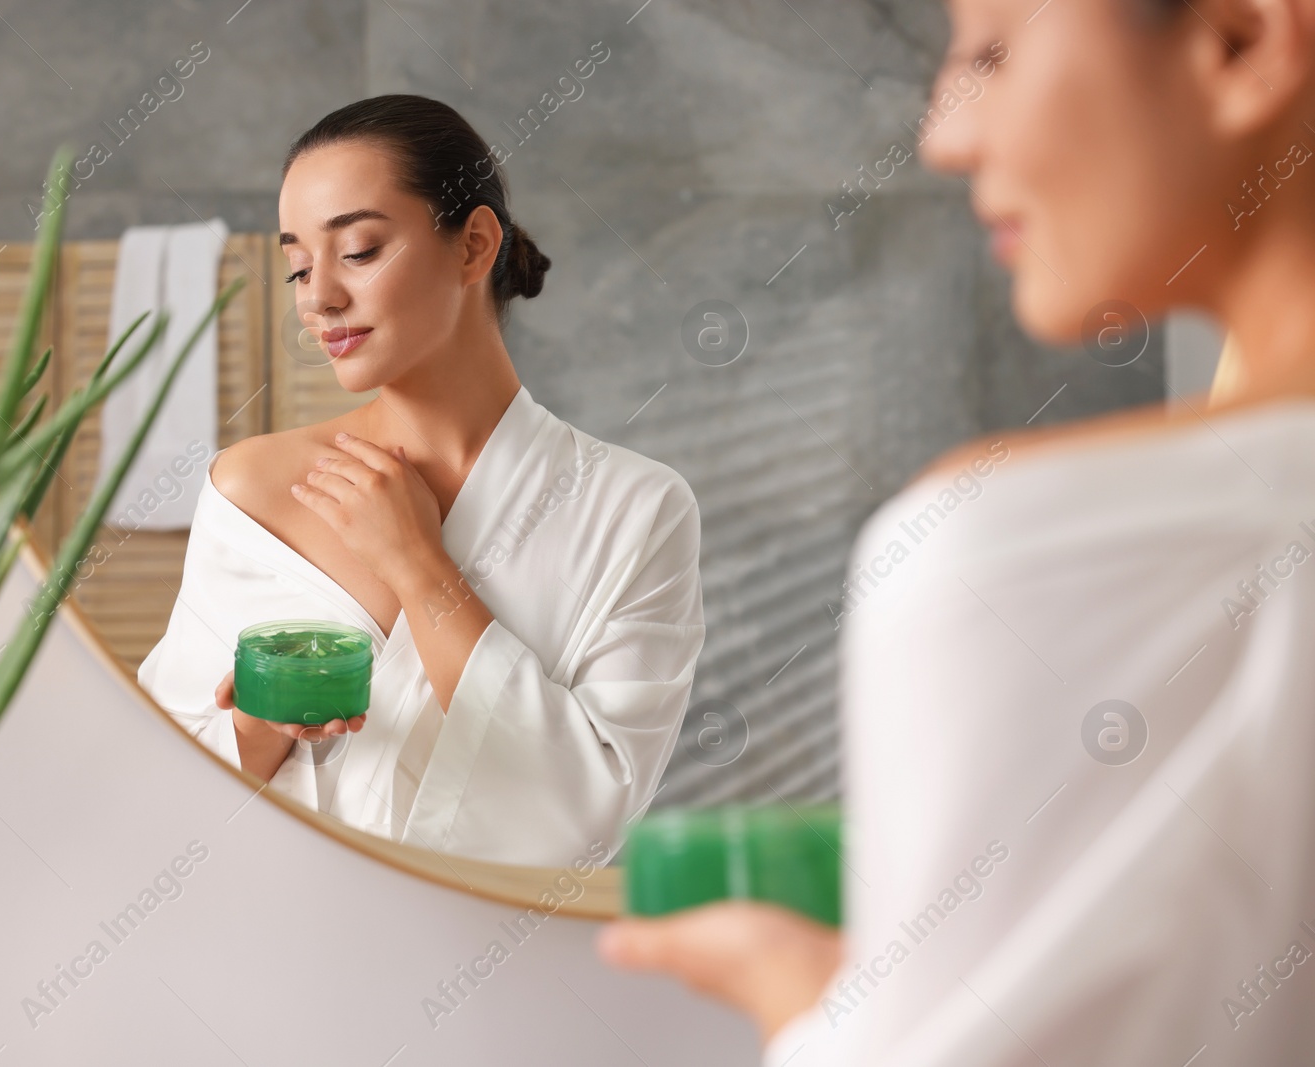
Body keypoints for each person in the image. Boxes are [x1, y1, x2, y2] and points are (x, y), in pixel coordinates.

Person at [597, 0, 1315, 1062]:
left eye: (991, 51)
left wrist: (809, 1003)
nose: (944, 131)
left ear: (1239, 42)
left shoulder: (1021, 555)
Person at [137, 95, 706, 867]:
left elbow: (584, 819)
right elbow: (153, 792)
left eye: (360, 250)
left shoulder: (635, 510)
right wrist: (261, 725)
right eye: (299, 265)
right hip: (262, 957)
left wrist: (417, 564)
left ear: (473, 247)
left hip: (492, 970)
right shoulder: (252, 492)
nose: (318, 297)